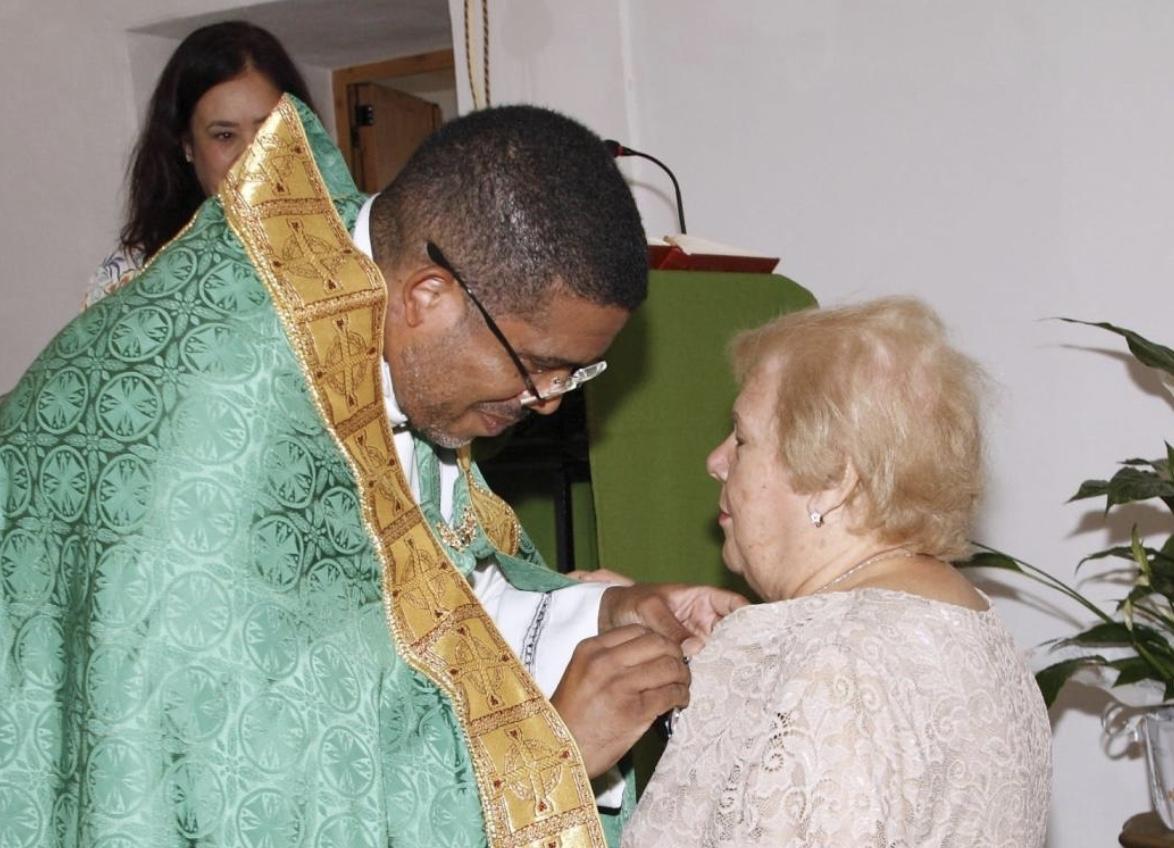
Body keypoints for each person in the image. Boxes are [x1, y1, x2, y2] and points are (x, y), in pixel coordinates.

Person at [0, 97, 743, 846]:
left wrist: (602, 617)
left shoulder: (357, 315)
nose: (547, 402)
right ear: (429, 297)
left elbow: (414, 610)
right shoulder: (214, 437)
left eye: (572, 375)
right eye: (538, 368)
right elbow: (239, 798)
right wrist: (547, 761)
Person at [623, 298, 1052, 847]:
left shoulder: (822, 661)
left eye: (742, 438)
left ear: (833, 481)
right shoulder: (975, 627)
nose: (716, 460)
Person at [84, 20, 315, 307]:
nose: (252, 156)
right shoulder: (133, 279)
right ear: (187, 145)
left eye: (270, 129)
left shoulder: (354, 245)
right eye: (225, 135)